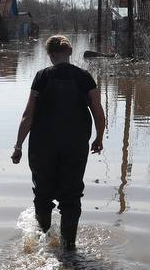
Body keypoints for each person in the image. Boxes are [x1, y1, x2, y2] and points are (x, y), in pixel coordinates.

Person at [11, 35, 106, 250]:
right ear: (69, 53)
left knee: (43, 195)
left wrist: (18, 146)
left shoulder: (42, 77)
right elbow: (98, 112)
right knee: (71, 197)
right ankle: (68, 248)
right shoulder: (85, 78)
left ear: (51, 55)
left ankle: (45, 241)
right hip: (75, 145)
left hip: (43, 146)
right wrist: (99, 137)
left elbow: (28, 115)